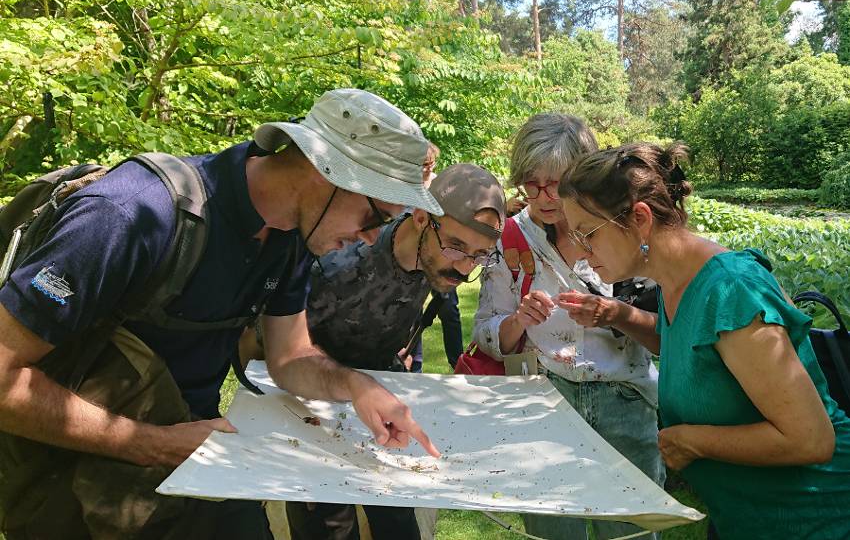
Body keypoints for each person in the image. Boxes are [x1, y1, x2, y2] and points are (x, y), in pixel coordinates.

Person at [0, 88, 441, 540]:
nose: (371, 239)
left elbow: (290, 358)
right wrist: (152, 444)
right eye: (374, 216)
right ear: (324, 171)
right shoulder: (130, 213)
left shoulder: (290, 237)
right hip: (75, 493)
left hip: (197, 470)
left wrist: (357, 386)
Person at [557, 142, 850, 539]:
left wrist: (693, 441)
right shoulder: (675, 282)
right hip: (745, 518)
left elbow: (811, 439)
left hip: (813, 519)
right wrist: (617, 314)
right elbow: (692, 351)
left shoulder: (732, 289)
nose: (579, 252)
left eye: (586, 234)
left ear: (639, 219)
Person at [282, 162, 505, 540]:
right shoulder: (343, 258)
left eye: (481, 255)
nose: (465, 267)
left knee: (398, 523)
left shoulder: (436, 260)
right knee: (330, 528)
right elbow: (277, 344)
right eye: (456, 246)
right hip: (313, 407)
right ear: (420, 217)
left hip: (381, 402)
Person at [471, 113, 664, 540]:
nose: (543, 197)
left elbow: (665, 336)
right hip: (544, 403)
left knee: (630, 529)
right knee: (553, 529)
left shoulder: (623, 228)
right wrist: (518, 319)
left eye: (556, 183)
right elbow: (484, 330)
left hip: (625, 401)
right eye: (531, 183)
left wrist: (615, 314)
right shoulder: (512, 240)